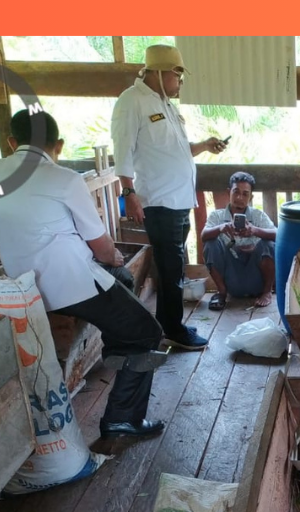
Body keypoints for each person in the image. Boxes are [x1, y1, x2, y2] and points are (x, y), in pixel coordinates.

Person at [0, 109, 167, 442]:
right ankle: (122, 419)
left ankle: (116, 351)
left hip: (23, 285)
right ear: (60, 145)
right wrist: (113, 256)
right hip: (68, 285)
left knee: (122, 280)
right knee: (147, 332)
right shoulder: (64, 179)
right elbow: (100, 246)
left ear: (12, 142)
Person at [109, 44, 229, 351]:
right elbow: (122, 152)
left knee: (174, 264)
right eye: (178, 77)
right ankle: (172, 329)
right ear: (162, 74)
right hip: (158, 200)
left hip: (178, 200)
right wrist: (129, 192)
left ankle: (168, 324)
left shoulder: (164, 104)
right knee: (171, 265)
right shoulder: (131, 101)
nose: (180, 85)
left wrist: (204, 145)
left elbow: (175, 151)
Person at [201, 171, 277, 311]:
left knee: (268, 243)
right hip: (231, 278)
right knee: (210, 242)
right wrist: (221, 228)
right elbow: (203, 235)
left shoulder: (258, 216)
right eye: (236, 192)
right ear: (228, 192)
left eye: (245, 194)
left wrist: (255, 231)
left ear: (251, 197)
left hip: (255, 277)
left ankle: (267, 292)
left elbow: (278, 235)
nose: (239, 198)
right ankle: (222, 293)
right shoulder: (217, 216)